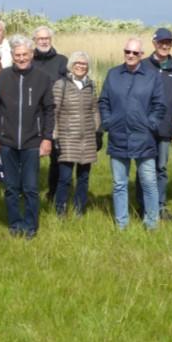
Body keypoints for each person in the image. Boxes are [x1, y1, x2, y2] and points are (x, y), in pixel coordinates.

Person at [0, 35, 55, 239]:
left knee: (31, 187)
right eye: (17, 55)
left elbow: (49, 110)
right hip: (7, 141)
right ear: (12, 56)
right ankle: (15, 224)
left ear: (32, 55)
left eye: (25, 54)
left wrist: (46, 138)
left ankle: (31, 225)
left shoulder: (42, 78)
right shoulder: (3, 77)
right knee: (11, 188)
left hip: (32, 142)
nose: (21, 58)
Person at [98, 37, 166, 231]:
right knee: (119, 184)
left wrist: (150, 124)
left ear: (141, 55)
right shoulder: (113, 74)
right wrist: (108, 122)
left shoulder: (152, 76)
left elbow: (159, 105)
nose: (130, 55)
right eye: (127, 52)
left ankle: (151, 223)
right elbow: (103, 101)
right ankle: (122, 223)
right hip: (118, 137)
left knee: (149, 183)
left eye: (135, 53)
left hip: (144, 138)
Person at [136, 27, 172, 221]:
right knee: (144, 167)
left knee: (161, 168)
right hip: (144, 127)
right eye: (161, 42)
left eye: (168, 43)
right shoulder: (143, 66)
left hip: (165, 127)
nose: (165, 46)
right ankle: (142, 206)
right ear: (154, 43)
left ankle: (160, 206)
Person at [51, 51, 101, 218]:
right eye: (77, 63)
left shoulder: (91, 85)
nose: (81, 66)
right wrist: (55, 137)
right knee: (65, 178)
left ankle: (79, 210)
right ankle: (60, 210)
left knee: (84, 178)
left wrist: (98, 132)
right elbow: (54, 111)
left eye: (84, 64)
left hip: (87, 139)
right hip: (67, 139)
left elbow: (95, 110)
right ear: (71, 66)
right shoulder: (61, 84)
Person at [31, 25, 69, 202]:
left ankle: (53, 193)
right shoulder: (29, 60)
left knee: (57, 157)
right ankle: (30, 191)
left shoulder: (62, 61)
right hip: (32, 115)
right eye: (40, 39)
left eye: (46, 38)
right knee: (31, 156)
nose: (44, 41)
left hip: (55, 114)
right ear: (34, 41)